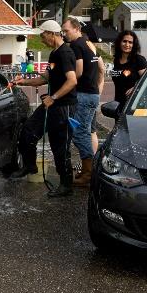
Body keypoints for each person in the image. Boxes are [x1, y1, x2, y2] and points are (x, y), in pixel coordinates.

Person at [10, 20, 77, 198]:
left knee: (60, 147)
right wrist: (22, 81)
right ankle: (30, 165)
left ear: (52, 33)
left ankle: (66, 184)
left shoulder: (65, 53)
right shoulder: (54, 54)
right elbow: (45, 78)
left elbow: (72, 81)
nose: (41, 39)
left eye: (42, 35)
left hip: (64, 107)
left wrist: (53, 97)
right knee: (28, 131)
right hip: (52, 104)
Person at [61, 17, 101, 186]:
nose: (64, 34)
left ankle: (88, 174)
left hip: (84, 95)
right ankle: (89, 170)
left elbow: (78, 72)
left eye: (66, 31)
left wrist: (64, 81)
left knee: (79, 133)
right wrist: (99, 85)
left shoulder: (77, 45)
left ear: (76, 29)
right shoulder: (88, 42)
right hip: (93, 94)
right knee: (88, 131)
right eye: (62, 31)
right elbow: (101, 67)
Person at [111, 30, 147, 113]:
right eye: (124, 41)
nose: (127, 45)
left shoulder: (139, 60)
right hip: (119, 104)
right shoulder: (116, 60)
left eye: (130, 42)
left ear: (134, 45)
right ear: (119, 42)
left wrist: (136, 87)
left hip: (135, 105)